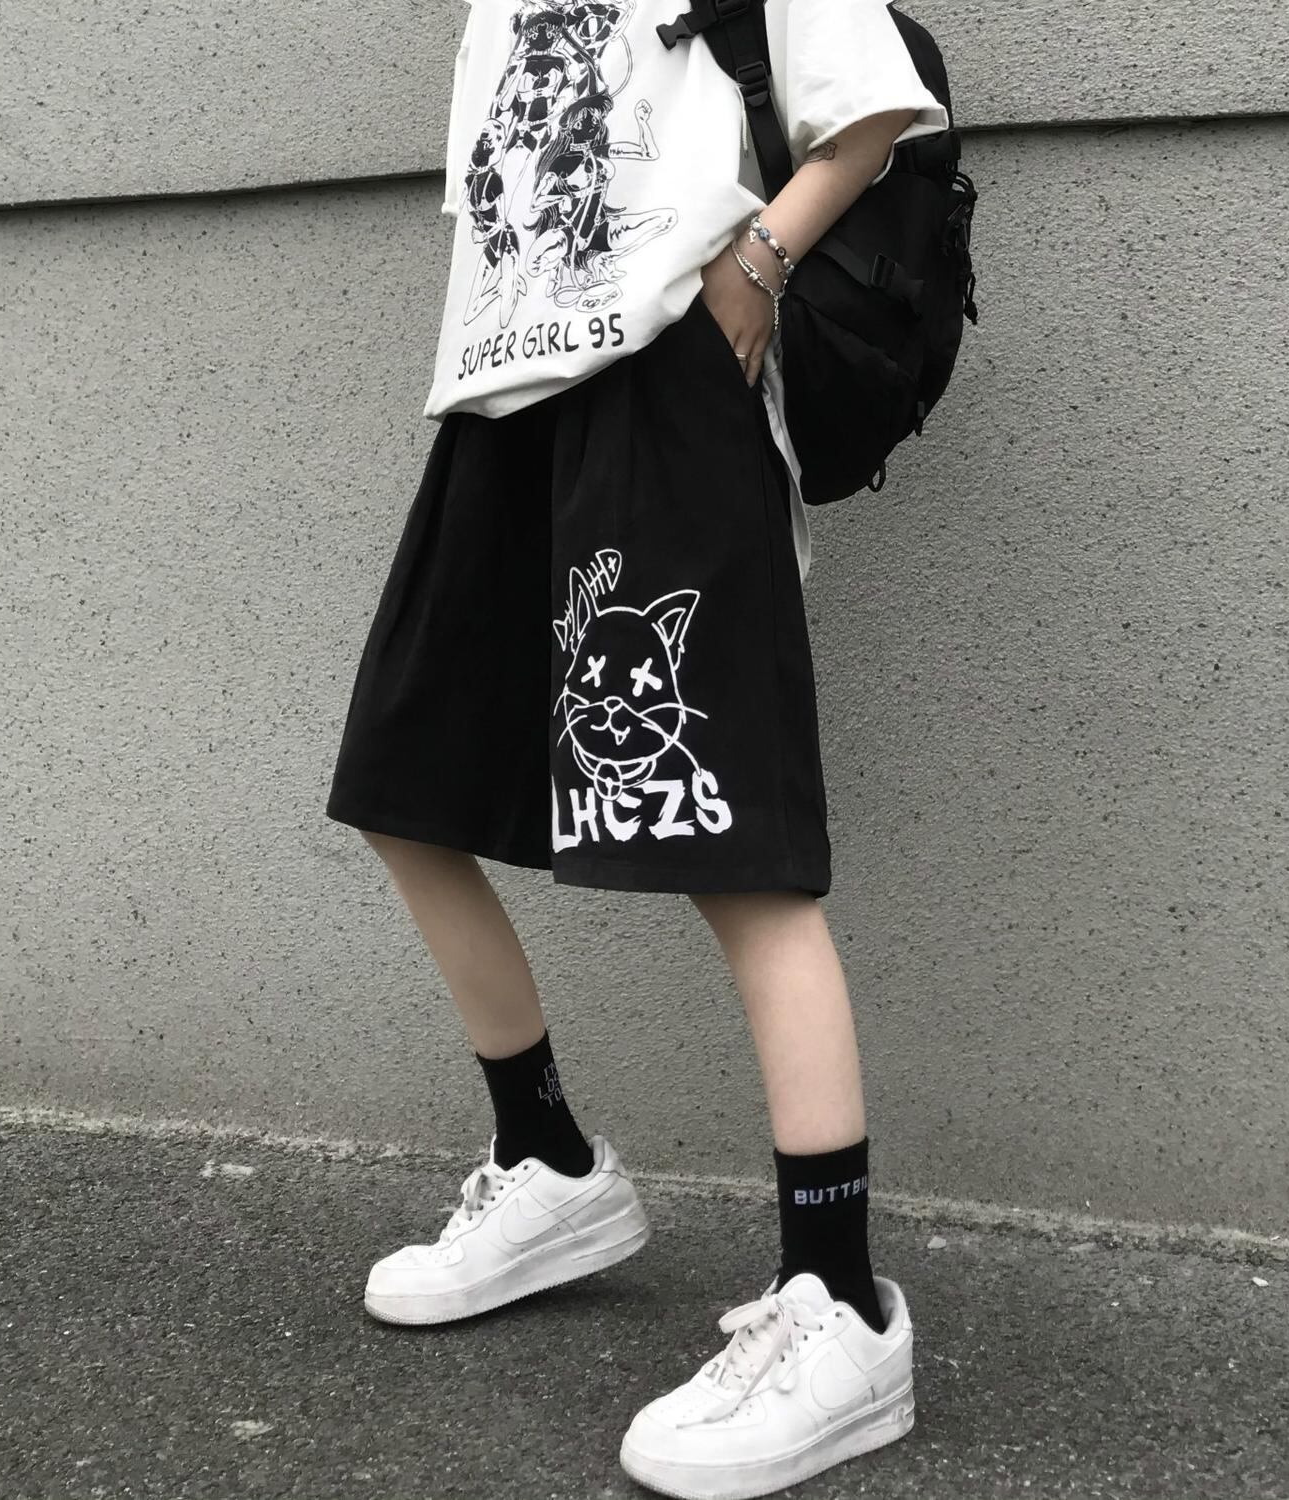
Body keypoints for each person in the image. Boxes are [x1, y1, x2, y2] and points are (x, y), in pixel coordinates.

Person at [323, 2, 947, 1494]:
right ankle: (547, 1162)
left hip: (666, 383)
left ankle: (839, 1304)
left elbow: (873, 104)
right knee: (404, 782)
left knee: (730, 845)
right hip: (500, 405)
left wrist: (759, 261)